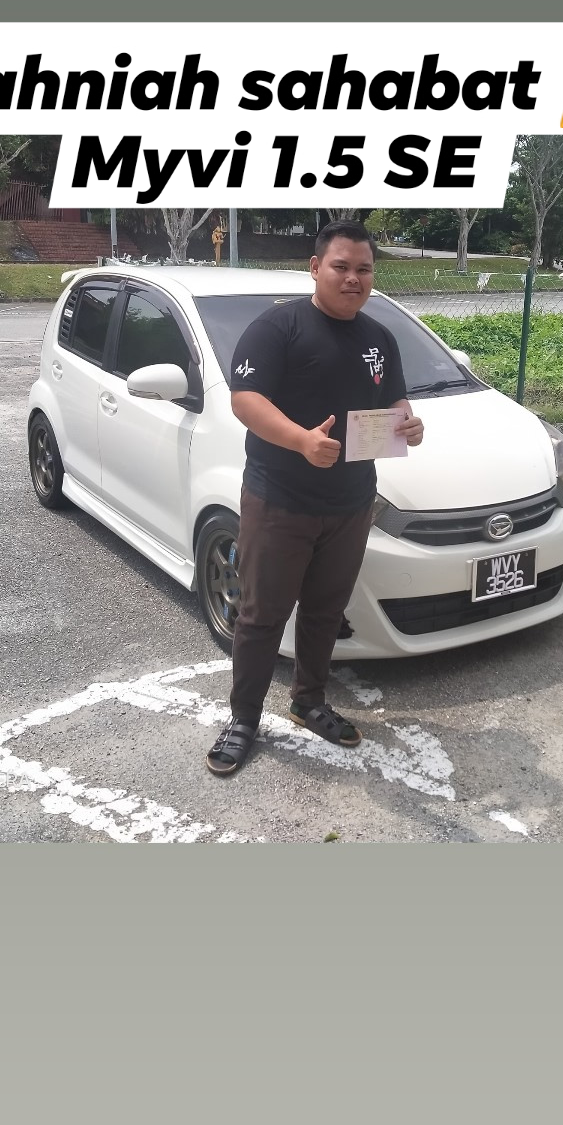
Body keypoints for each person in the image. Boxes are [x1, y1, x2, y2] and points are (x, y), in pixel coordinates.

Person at [206, 221, 424, 775]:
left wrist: (409, 423)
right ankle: (243, 719)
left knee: (326, 610)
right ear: (315, 267)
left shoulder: (379, 338)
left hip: (351, 502)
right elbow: (245, 399)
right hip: (279, 499)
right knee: (262, 615)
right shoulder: (277, 327)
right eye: (341, 267)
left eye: (364, 269)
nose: (353, 278)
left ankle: (308, 701)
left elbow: (393, 400)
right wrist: (302, 441)